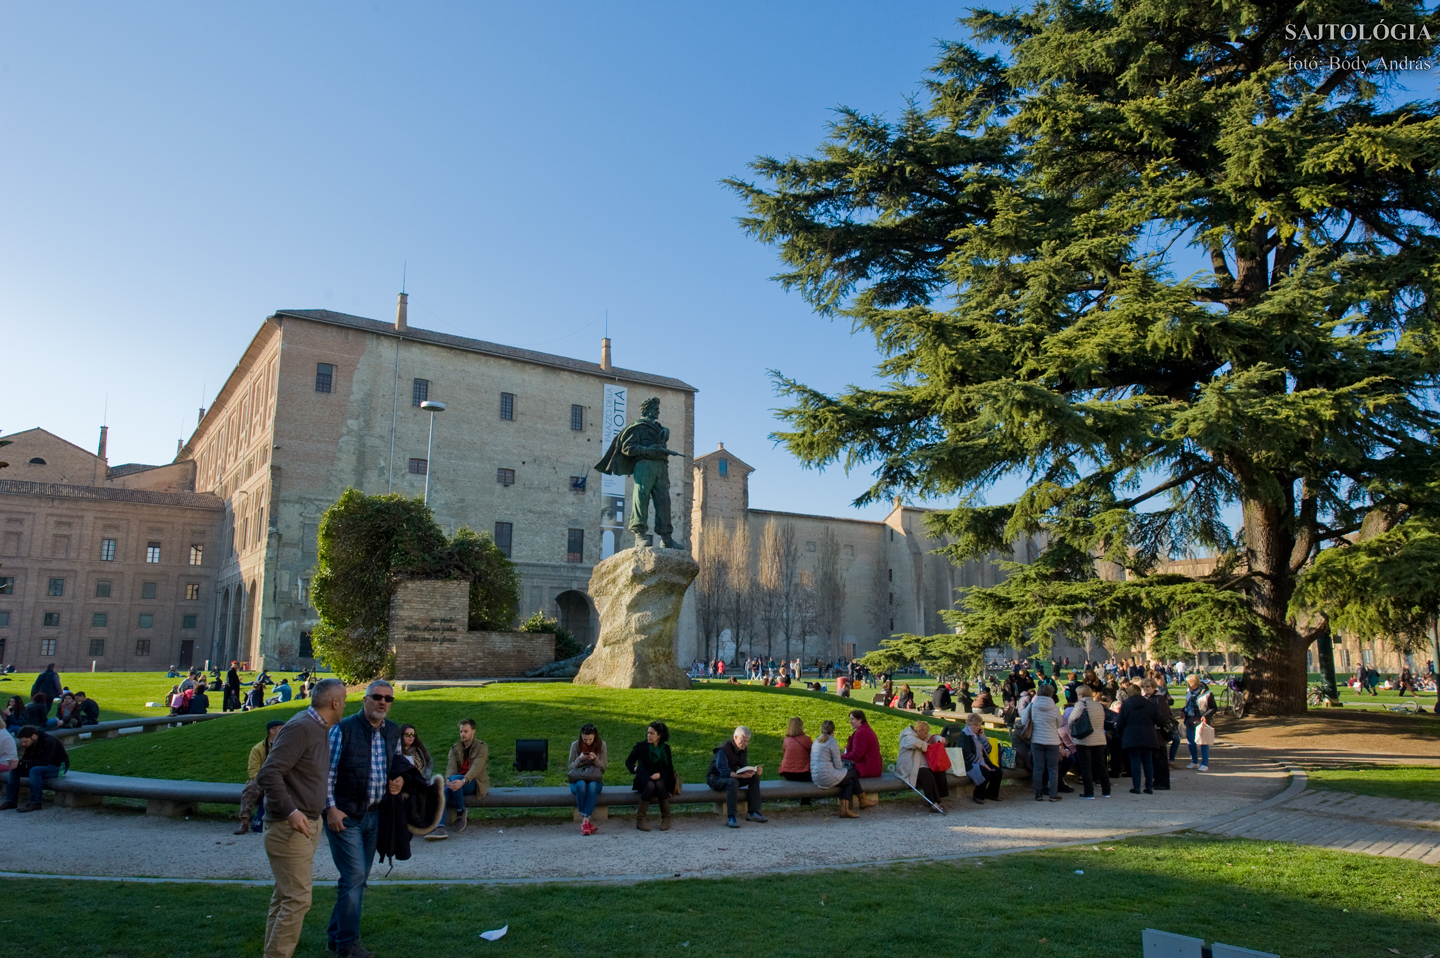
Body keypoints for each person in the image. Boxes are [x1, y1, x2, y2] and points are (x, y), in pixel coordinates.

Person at [256, 677, 345, 958]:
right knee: (298, 900)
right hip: (288, 827)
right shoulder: (302, 728)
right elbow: (268, 773)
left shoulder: (317, 727)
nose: (344, 705)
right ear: (335, 703)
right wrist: (291, 811)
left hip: (306, 823)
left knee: (285, 897)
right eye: (343, 700)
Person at [323, 679, 402, 958]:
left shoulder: (393, 732)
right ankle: (347, 945)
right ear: (364, 700)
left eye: (388, 699)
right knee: (355, 876)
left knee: (357, 879)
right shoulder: (342, 730)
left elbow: (399, 768)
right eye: (377, 697)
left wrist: (399, 781)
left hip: (375, 815)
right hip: (346, 816)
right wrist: (330, 809)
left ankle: (335, 938)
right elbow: (325, 775)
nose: (382, 702)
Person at [431, 718, 489, 840]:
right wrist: (448, 780)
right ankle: (441, 827)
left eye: (466, 731)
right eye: (461, 731)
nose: (462, 734)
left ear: (473, 731)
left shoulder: (482, 747)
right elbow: (451, 767)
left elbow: (476, 768)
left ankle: (456, 813)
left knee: (455, 780)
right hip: (456, 784)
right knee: (443, 793)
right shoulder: (455, 749)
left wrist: (463, 781)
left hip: (473, 783)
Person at [708, 725, 767, 828]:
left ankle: (753, 812)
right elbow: (724, 772)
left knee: (754, 778)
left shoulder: (742, 749)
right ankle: (731, 816)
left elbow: (743, 765)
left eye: (747, 741)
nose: (745, 744)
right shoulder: (722, 750)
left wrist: (753, 771)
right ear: (735, 737)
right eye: (743, 741)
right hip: (716, 778)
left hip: (731, 776)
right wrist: (741, 776)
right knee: (733, 782)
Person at [1, 725, 68, 812]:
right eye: (22, 742)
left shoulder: (48, 741)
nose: (23, 744)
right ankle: (11, 800)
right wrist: (17, 764)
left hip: (61, 768)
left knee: (35, 771)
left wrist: (21, 763)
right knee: (15, 769)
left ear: (33, 736)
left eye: (25, 741)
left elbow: (44, 762)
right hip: (45, 766)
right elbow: (26, 759)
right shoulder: (32, 743)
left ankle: (36, 802)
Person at [625, 721, 677, 831]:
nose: (648, 735)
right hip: (644, 778)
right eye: (648, 733)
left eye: (652, 733)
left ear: (659, 735)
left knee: (659, 785)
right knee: (650, 785)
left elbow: (669, 769)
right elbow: (629, 762)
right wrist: (634, 769)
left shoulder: (665, 749)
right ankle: (640, 819)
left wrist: (660, 774)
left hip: (660, 778)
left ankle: (666, 818)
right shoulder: (641, 747)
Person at [239, 720, 288, 834]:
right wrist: (267, 781)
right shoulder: (258, 749)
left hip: (282, 780)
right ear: (272, 731)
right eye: (281, 729)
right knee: (250, 790)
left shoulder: (286, 746)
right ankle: (244, 821)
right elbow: (253, 772)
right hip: (262, 780)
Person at [809, 719, 862, 817]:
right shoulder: (832, 742)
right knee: (853, 773)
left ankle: (845, 810)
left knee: (849, 783)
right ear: (833, 731)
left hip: (816, 778)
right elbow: (838, 766)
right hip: (827, 777)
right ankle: (862, 799)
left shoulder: (816, 741)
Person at [1115, 680, 1160, 794]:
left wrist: (1119, 733)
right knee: (1147, 761)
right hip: (1148, 734)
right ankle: (1149, 786)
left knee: (1134, 761)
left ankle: (1136, 787)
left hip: (1131, 735)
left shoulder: (1126, 705)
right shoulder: (1149, 704)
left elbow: (1120, 722)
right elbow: (1159, 720)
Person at [1022, 682, 1064, 801]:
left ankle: (1038, 793)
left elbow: (1024, 721)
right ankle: (1053, 794)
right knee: (1053, 768)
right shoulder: (1055, 708)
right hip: (1052, 740)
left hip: (1037, 739)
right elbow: (1059, 723)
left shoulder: (1032, 706)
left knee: (1038, 768)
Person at [1068, 685, 1110, 799]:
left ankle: (1089, 791)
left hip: (1084, 739)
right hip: (1099, 738)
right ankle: (1106, 790)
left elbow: (1071, 719)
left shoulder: (1081, 705)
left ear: (1080, 695)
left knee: (1086, 766)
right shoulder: (1098, 705)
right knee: (1101, 765)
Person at [896, 720, 947, 810]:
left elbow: (932, 737)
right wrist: (928, 746)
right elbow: (914, 742)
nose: (926, 736)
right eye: (925, 733)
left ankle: (939, 799)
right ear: (918, 731)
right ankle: (933, 803)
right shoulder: (907, 736)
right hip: (910, 768)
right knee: (927, 776)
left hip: (922, 766)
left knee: (940, 772)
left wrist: (939, 739)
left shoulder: (922, 736)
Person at [568, 722, 607, 834]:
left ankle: (584, 821)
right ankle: (586, 822)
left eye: (590, 739)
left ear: (595, 736)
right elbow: (570, 767)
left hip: (594, 779)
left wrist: (595, 759)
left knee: (592, 786)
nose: (588, 742)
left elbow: (603, 768)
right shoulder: (575, 745)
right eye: (585, 739)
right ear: (581, 736)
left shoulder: (602, 745)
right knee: (581, 785)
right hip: (578, 779)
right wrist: (580, 759)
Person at [959, 714, 1003, 804]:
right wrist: (982, 764)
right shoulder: (965, 735)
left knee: (998, 771)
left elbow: (988, 750)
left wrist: (983, 737)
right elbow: (966, 754)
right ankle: (978, 795)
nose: (978, 727)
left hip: (982, 760)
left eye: (979, 725)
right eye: (975, 725)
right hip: (970, 763)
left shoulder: (978, 735)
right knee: (984, 771)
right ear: (969, 724)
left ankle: (991, 793)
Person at [778, 717, 814, 804]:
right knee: (810, 779)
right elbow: (813, 753)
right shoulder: (806, 739)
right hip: (803, 773)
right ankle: (805, 801)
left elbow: (785, 753)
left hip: (787, 773)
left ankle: (799, 798)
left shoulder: (786, 740)